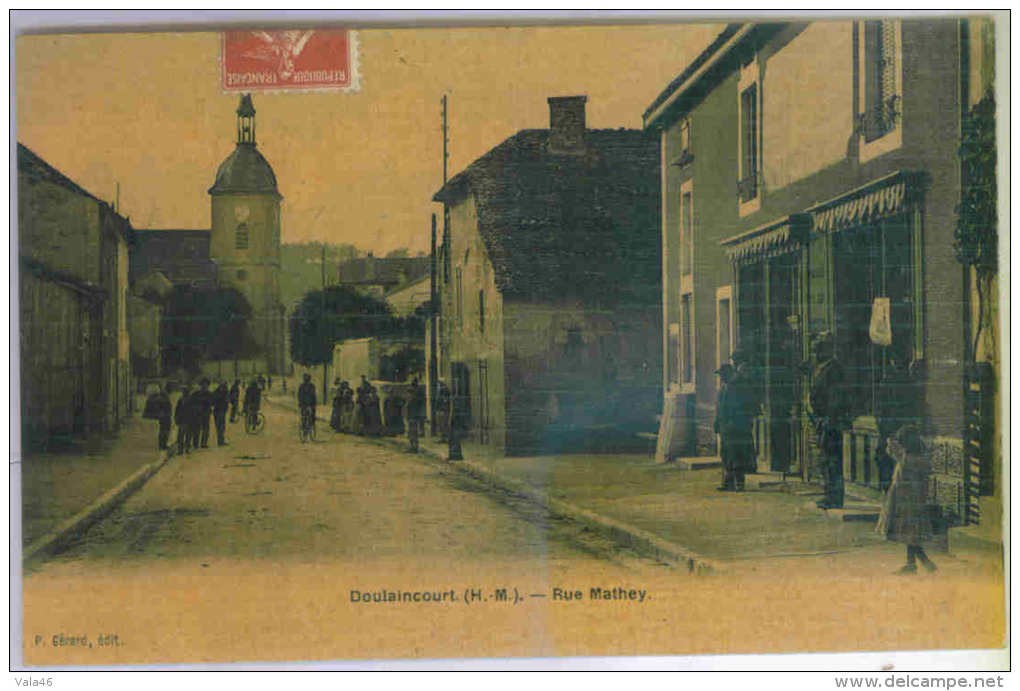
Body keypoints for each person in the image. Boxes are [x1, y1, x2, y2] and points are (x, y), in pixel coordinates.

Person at [877, 425, 936, 575]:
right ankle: (912, 564)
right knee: (910, 535)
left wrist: (892, 438)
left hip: (905, 502)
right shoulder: (921, 458)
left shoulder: (907, 459)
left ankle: (925, 563)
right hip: (915, 501)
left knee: (910, 536)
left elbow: (890, 448)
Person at [809, 332, 849, 509]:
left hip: (830, 422)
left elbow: (835, 398)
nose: (816, 355)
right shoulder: (823, 369)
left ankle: (834, 497)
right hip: (822, 421)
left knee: (832, 460)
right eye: (815, 351)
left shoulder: (833, 369)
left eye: (819, 351)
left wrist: (828, 419)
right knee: (826, 459)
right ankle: (829, 495)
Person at [143, 384, 173, 451]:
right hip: (165, 416)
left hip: (165, 415)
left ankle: (162, 445)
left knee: (164, 431)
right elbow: (164, 405)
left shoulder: (164, 395)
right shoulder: (164, 396)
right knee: (164, 431)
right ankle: (162, 445)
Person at [406, 377, 426, 453]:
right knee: (412, 432)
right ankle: (413, 446)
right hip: (412, 416)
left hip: (413, 416)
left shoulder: (414, 401)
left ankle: (414, 447)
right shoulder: (412, 400)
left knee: (413, 431)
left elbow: (412, 409)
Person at [193, 378, 214, 449]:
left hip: (206, 414)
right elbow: (192, 403)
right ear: (200, 385)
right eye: (202, 384)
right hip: (197, 414)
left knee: (205, 429)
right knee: (197, 429)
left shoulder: (209, 394)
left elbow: (212, 403)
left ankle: (204, 443)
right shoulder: (196, 394)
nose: (204, 386)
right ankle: (195, 444)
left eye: (205, 385)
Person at [175, 385, 192, 455]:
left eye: (184, 392)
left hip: (188, 420)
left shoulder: (190, 400)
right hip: (181, 420)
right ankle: (180, 450)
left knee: (187, 436)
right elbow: (177, 410)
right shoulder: (180, 400)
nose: (183, 393)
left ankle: (187, 448)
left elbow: (193, 411)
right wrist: (176, 418)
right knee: (180, 436)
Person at [212, 381, 230, 446]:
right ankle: (220, 441)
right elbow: (214, 401)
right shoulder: (217, 393)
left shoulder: (225, 393)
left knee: (222, 427)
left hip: (222, 411)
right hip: (218, 411)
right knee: (219, 427)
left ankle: (221, 440)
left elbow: (228, 400)